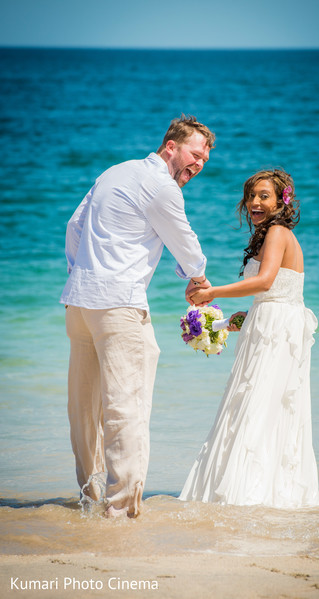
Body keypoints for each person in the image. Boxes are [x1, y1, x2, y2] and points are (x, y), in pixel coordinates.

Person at [60, 115, 215, 518]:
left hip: (79, 301)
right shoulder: (161, 186)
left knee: (84, 408)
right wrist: (198, 278)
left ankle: (89, 499)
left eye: (203, 161)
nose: (197, 166)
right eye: (195, 155)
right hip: (119, 303)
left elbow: (74, 227)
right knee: (126, 407)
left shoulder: (115, 172)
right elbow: (186, 243)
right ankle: (120, 511)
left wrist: (82, 272)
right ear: (170, 147)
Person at [179, 169, 319, 509]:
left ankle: (250, 496)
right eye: (251, 196)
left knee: (260, 406)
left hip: (277, 332)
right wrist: (228, 322)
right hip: (269, 324)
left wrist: (213, 293)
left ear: (281, 201)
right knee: (257, 404)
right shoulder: (270, 234)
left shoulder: (277, 231)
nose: (255, 202)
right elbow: (269, 297)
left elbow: (266, 282)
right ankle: (259, 494)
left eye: (264, 196)